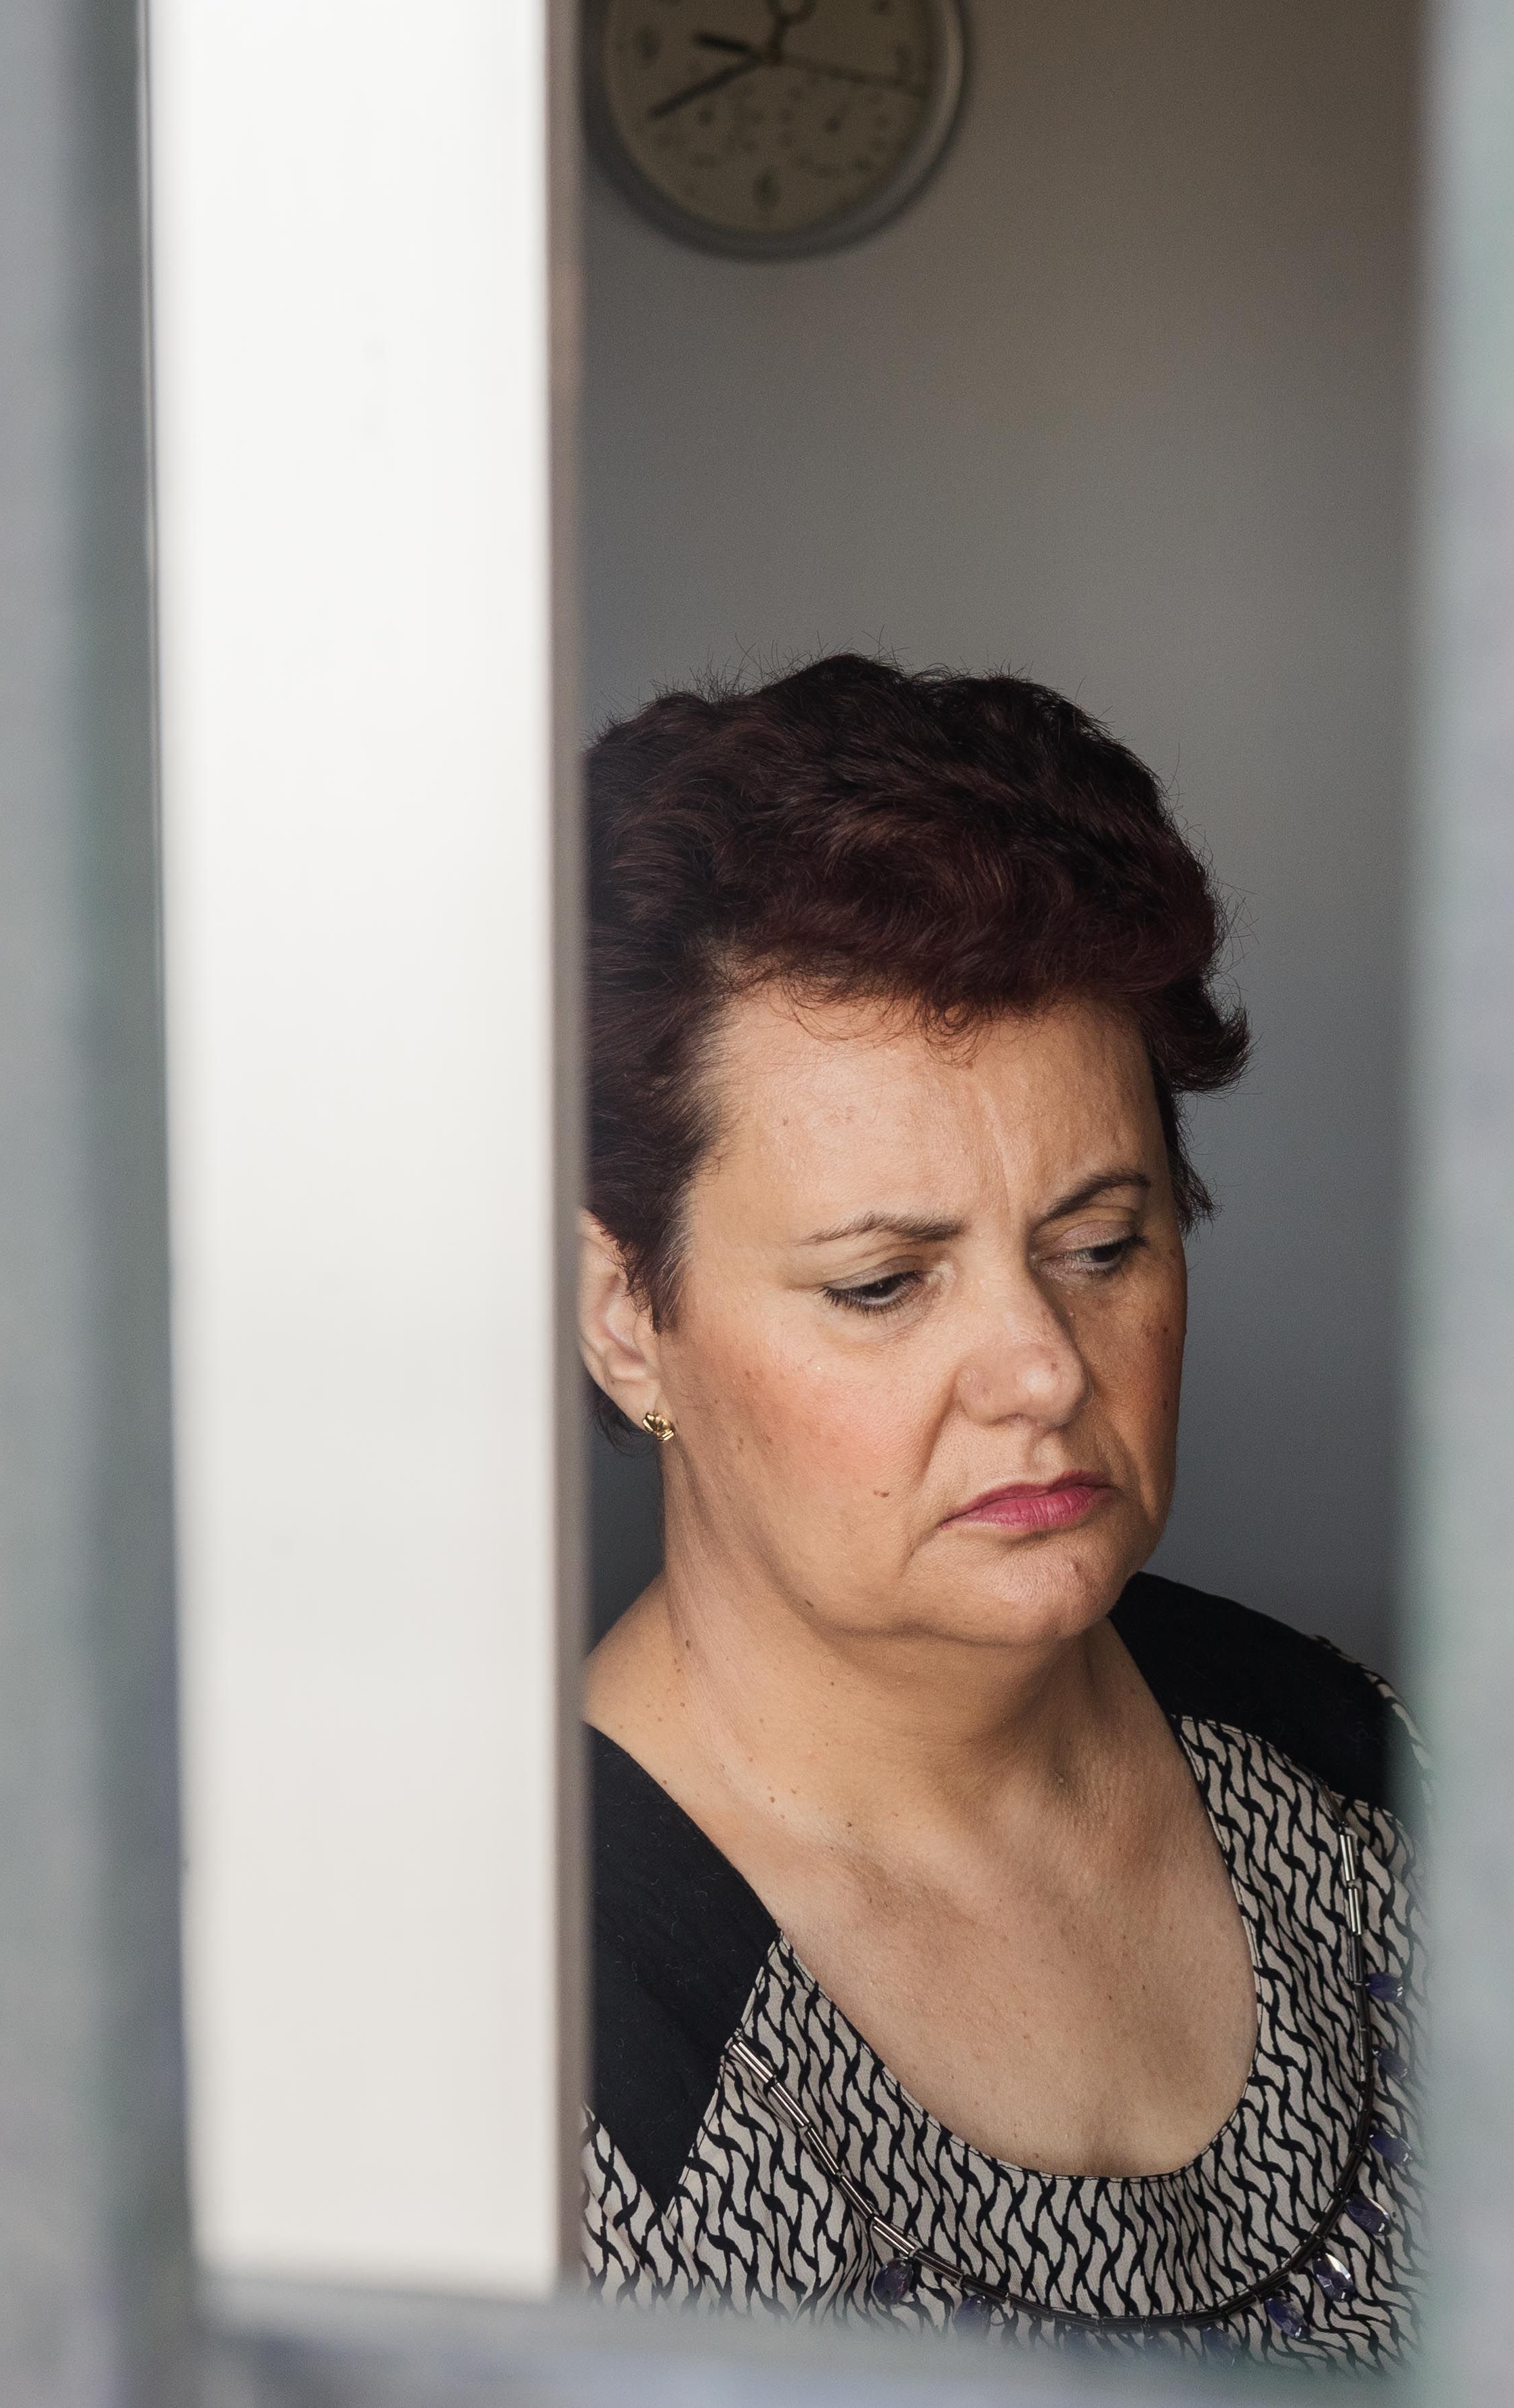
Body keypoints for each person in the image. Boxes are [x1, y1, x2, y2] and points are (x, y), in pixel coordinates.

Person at [570, 656, 1415, 2358]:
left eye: (1102, 1245)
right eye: (883, 1283)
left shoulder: (1357, 1779)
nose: (1040, 1366)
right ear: (627, 1318)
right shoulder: (558, 2045)